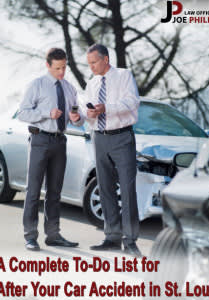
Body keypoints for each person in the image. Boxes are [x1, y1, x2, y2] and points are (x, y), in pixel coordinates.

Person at [18, 48, 84, 251]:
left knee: (55, 192)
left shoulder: (70, 88)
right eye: (57, 68)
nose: (61, 72)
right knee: (33, 190)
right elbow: (22, 113)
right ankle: (30, 236)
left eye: (64, 67)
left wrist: (77, 118)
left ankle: (53, 235)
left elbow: (79, 117)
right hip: (39, 140)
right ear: (48, 65)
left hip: (59, 142)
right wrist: (47, 113)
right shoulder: (36, 85)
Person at [85, 44, 141, 257]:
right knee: (105, 187)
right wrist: (88, 113)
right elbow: (87, 114)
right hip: (99, 138)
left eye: (94, 62)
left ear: (106, 59)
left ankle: (130, 241)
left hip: (122, 137)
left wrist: (107, 107)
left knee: (127, 189)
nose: (91, 67)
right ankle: (112, 237)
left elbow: (132, 102)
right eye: (89, 63)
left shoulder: (124, 75)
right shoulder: (91, 83)